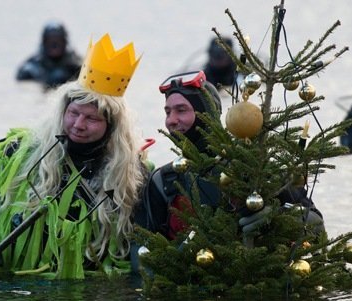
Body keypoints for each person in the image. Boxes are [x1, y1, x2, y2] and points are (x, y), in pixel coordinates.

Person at [0, 33, 145, 277]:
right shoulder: (18, 153)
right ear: (62, 111)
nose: (78, 124)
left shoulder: (132, 173)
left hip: (89, 291)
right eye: (74, 113)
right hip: (15, 283)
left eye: (91, 118)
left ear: (111, 127)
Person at [133, 70, 323, 263]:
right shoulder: (163, 182)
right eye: (167, 112)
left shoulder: (252, 167)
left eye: (181, 110)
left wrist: (275, 218)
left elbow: (316, 223)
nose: (171, 120)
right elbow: (141, 250)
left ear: (206, 113)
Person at [15, 22, 82, 88]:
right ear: (44, 43)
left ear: (64, 42)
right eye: (50, 41)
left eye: (58, 41)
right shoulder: (35, 64)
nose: (54, 45)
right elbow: (21, 76)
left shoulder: (74, 63)